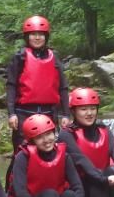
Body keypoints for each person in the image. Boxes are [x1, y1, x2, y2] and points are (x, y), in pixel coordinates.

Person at [5, 15, 71, 152]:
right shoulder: (20, 57)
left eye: (40, 34)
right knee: (22, 152)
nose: (37, 37)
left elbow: (63, 88)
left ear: (45, 37)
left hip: (49, 113)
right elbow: (11, 86)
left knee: (50, 152)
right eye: (33, 34)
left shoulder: (54, 57)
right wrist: (11, 113)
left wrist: (66, 114)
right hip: (24, 113)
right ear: (27, 37)